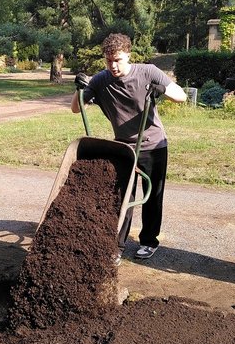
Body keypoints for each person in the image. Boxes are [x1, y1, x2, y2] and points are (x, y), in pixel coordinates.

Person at [72, 33, 187, 261]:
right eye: (109, 61)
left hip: (154, 145)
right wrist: (78, 89)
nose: (113, 66)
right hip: (123, 148)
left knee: (153, 195)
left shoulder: (148, 72)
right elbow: (77, 109)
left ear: (128, 56)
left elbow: (181, 96)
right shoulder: (100, 80)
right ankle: (117, 245)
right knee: (121, 197)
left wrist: (162, 90)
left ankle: (148, 241)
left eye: (118, 60)